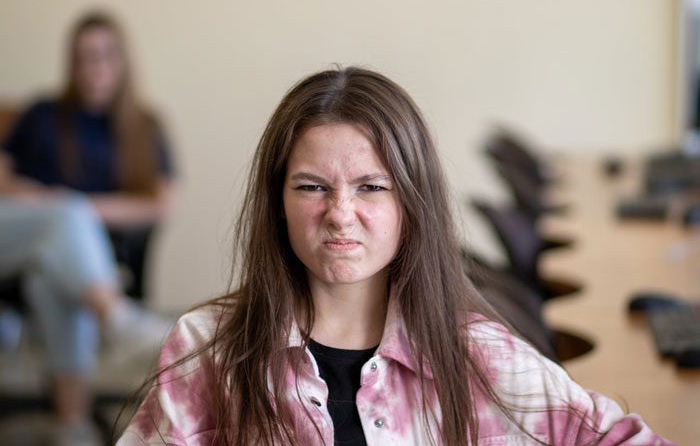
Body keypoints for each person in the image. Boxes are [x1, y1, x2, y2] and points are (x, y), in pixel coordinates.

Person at [116, 67, 671, 446]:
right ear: (277, 202)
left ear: (412, 202)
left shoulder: (475, 357)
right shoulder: (208, 351)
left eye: (371, 188)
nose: (339, 213)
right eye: (311, 187)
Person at [0, 11, 175, 445]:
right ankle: (115, 316)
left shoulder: (144, 126)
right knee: (63, 222)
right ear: (71, 64)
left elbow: (159, 203)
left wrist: (84, 210)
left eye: (103, 56)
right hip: (14, 231)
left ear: (121, 62)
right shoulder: (42, 114)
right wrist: (55, 205)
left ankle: (71, 425)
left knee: (52, 275)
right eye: (83, 57)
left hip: (68, 259)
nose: (93, 67)